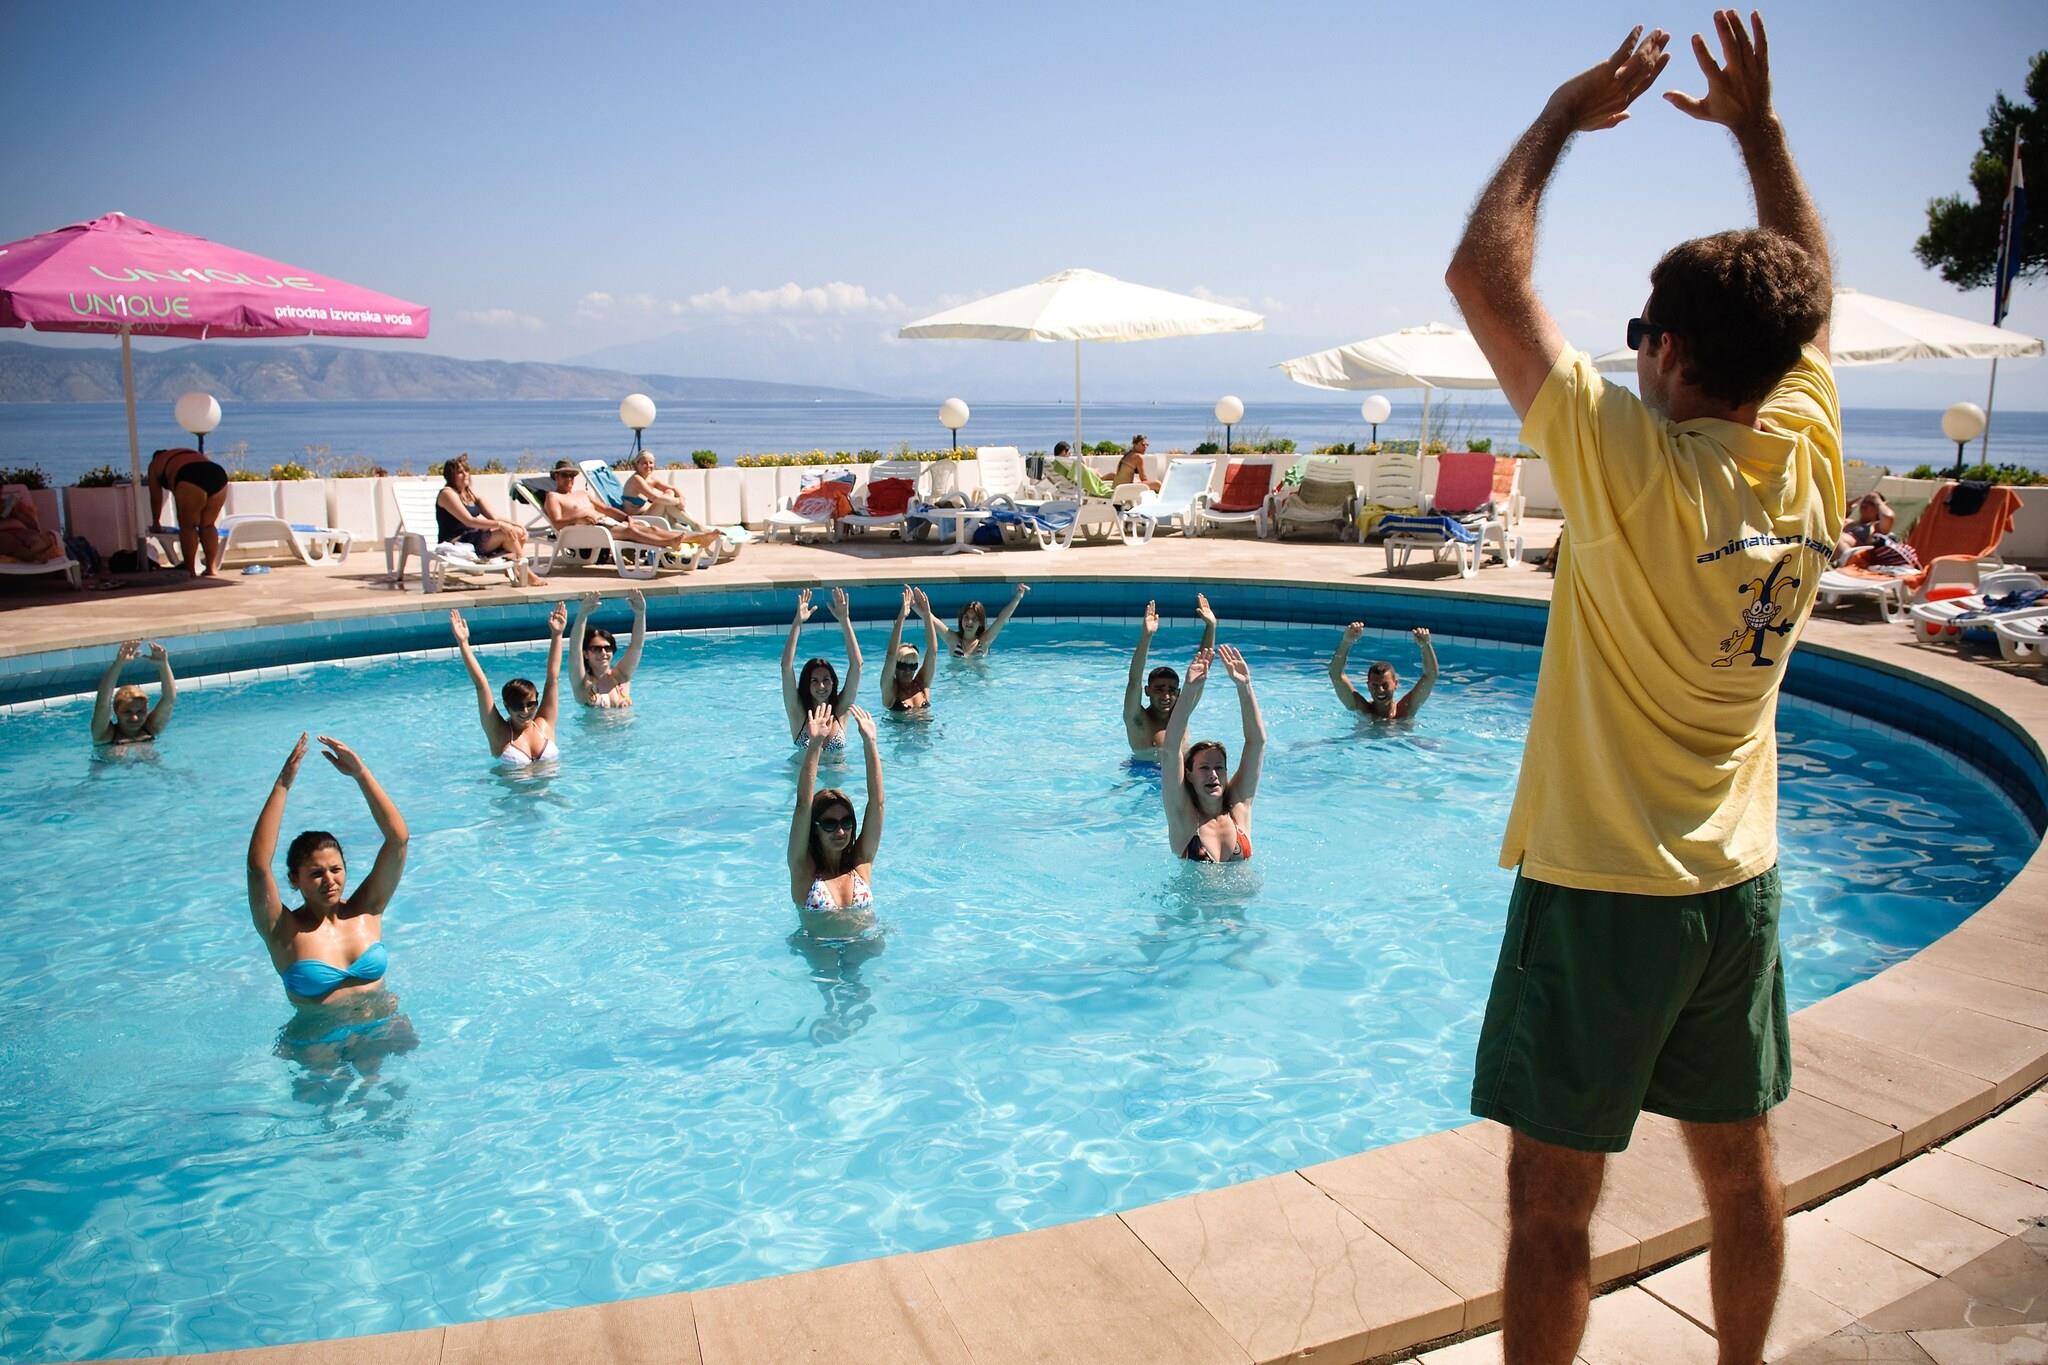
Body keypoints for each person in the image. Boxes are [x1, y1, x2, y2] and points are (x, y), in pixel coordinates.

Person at [1443, 15, 1840, 1363]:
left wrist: (1560, 117)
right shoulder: (1806, 451)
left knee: (1550, 1209)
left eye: (1636, 340)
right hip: (1737, 885)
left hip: (1604, 891)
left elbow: (1484, 277)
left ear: (1667, 352)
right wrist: (1760, 136)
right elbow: (1807, 291)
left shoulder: (1632, 470)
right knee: (1739, 1169)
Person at [246, 733, 409, 1007]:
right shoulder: (282, 929)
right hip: (319, 1035)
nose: (329, 880)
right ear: (294, 879)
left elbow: (398, 840)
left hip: (386, 1026)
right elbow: (258, 867)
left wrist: (361, 774)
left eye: (336, 869)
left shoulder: (368, 909)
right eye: (316, 873)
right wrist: (282, 786)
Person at [1161, 645, 1265, 863]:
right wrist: (1189, 689)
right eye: (1204, 768)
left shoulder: (1239, 808)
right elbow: (1170, 750)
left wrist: (1244, 686)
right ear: (1189, 774)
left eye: (1219, 767)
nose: (1213, 774)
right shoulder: (1183, 816)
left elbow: (1256, 743)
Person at [788, 702, 883, 940]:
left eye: (846, 823)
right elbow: (802, 806)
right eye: (830, 824)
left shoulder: (860, 863)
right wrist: (815, 745)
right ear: (815, 829)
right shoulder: (804, 869)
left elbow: (877, 803)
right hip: (820, 950)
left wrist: (870, 743)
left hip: (863, 944)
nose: (840, 831)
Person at [451, 602, 568, 764]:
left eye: (530, 704)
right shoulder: (499, 733)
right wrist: (463, 643)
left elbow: (553, 678)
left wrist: (557, 635)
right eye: (517, 705)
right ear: (507, 706)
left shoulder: (544, 724)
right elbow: (481, 685)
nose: (525, 711)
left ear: (537, 702)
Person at [543, 460, 704, 560]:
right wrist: (577, 518)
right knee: (631, 532)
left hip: (604, 523)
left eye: (572, 475)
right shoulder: (553, 497)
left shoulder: (583, 493)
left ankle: (695, 539)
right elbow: (557, 523)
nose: (569, 479)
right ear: (556, 476)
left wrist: (627, 518)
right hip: (587, 530)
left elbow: (606, 509)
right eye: (565, 475)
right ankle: (668, 542)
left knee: (649, 528)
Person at [1123, 594, 1218, 755]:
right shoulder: (1138, 719)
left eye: (1171, 690)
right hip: (1143, 770)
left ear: (1178, 693)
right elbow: (1134, 681)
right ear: (1147, 691)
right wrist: (1146, 637)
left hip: (1182, 768)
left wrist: (1211, 626)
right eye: (1159, 689)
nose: (1166, 696)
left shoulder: (1181, 714)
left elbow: (1201, 669)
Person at [435, 455, 546, 587]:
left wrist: (517, 525)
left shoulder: (469, 494)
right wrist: (501, 525)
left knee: (518, 532)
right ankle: (526, 574)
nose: (465, 475)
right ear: (450, 476)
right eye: (460, 472)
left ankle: (513, 567)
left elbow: (494, 517)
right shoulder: (447, 494)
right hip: (456, 541)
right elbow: (469, 521)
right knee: (507, 534)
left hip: (473, 536)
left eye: (466, 470)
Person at [782, 587, 862, 749]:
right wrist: (797, 622)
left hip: (839, 767)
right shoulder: (798, 712)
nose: (821, 686)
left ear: (833, 682)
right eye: (814, 680)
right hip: (804, 767)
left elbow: (857, 665)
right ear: (807, 683)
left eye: (826, 680)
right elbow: (786, 667)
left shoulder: (841, 710)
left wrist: (845, 620)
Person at [619, 452, 730, 559]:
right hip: (638, 519)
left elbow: (673, 489)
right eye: (644, 463)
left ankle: (689, 526)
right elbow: (655, 498)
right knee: (664, 501)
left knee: (669, 493)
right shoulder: (636, 479)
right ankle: (695, 526)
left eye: (651, 463)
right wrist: (677, 501)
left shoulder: (650, 478)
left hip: (649, 514)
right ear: (637, 465)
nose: (648, 466)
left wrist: (681, 498)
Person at [146, 446, 229, 578]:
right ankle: (211, 568)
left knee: (188, 526)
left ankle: (190, 570)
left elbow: (156, 497)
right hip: (216, 473)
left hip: (189, 474)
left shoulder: (155, 463)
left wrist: (156, 522)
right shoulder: (186, 453)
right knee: (208, 525)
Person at [1328, 625, 1439, 720]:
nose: (1380, 690)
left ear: (1396, 684)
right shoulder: (1362, 709)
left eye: (1385, 685)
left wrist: (1426, 645)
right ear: (1368, 686)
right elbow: (1335, 674)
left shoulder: (1405, 710)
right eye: (1375, 685)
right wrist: (1346, 642)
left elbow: (1431, 676)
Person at [90, 639, 176, 744]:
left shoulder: (151, 729)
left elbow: (169, 699)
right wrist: (118, 665)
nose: (134, 718)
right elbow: (102, 705)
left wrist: (163, 665)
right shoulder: (104, 735)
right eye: (127, 712)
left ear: (147, 711)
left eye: (140, 712)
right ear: (116, 710)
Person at [570, 589, 645, 709]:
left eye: (607, 648)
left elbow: (637, 646)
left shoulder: (621, 676)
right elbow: (574, 650)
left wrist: (640, 614)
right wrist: (582, 615)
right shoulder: (582, 684)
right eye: (596, 649)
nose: (603, 652)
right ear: (586, 654)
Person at [923, 583, 1029, 657]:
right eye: (966, 617)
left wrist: (1018, 597)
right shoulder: (953, 640)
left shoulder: (984, 641)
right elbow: (930, 618)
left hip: (980, 682)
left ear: (980, 622)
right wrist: (915, 605)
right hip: (958, 683)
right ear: (961, 619)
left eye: (974, 619)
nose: (969, 622)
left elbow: (1002, 618)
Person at [882, 585, 939, 711]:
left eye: (912, 666)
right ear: (895, 666)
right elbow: (891, 655)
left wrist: (927, 614)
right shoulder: (891, 690)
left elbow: (933, 651)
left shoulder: (921, 684)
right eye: (903, 666)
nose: (908, 671)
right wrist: (901, 617)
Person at [0, 487, 64, 564]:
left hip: (22, 531)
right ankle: (33, 554)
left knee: (32, 536)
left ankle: (39, 548)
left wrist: (18, 512)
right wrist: (11, 523)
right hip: (4, 535)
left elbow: (33, 526)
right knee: (9, 541)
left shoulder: (8, 503)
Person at [1835, 491, 1895, 563]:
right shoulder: (1847, 521)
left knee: (1838, 538)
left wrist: (1878, 500)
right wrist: (1846, 507)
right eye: (1864, 501)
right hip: (1831, 553)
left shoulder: (1875, 527)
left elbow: (1888, 516)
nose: (1865, 504)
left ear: (1878, 508)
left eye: (1871, 503)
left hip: (1855, 560)